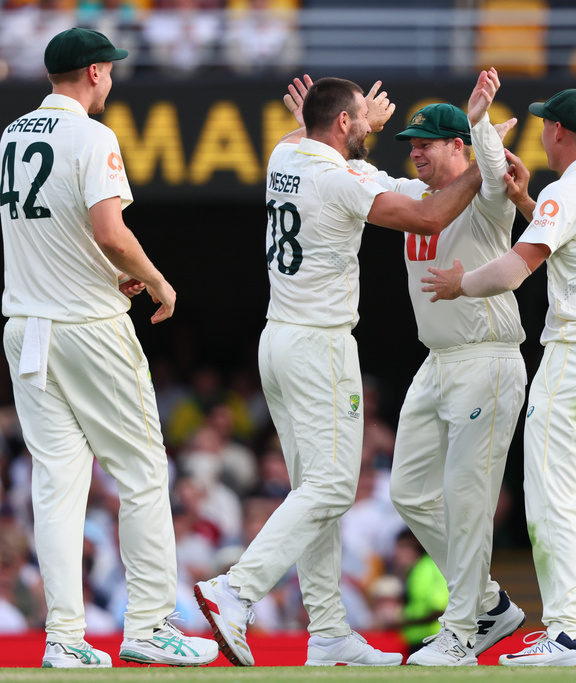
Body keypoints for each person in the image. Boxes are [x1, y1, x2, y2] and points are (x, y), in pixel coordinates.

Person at [193, 75, 483, 667]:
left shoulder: (283, 154)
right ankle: (235, 591)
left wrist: (352, 124)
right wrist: (487, 165)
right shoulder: (339, 177)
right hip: (320, 348)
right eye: (362, 120)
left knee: (313, 493)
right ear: (345, 125)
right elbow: (427, 219)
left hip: (277, 340)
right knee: (331, 487)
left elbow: (309, 135)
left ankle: (326, 632)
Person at [281, 69, 529, 666]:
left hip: (488, 359)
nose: (415, 151)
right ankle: (490, 603)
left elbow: (495, 175)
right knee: (411, 492)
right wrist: (313, 133)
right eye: (411, 144)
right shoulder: (408, 190)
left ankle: (466, 627)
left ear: (457, 149)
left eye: (427, 143)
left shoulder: (488, 198)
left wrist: (479, 123)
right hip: (437, 363)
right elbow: (339, 169)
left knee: (467, 498)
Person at [0, 28, 218, 668]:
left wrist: (96, 265)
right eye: (110, 70)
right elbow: (109, 231)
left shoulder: (11, 135)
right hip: (89, 327)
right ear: (94, 73)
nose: (114, 79)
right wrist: (154, 279)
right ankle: (149, 627)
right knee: (145, 473)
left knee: (57, 487)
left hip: (26, 327)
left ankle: (64, 637)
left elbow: (52, 232)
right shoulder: (94, 136)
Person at [424, 88, 576, 667]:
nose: (543, 131)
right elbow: (574, 248)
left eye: (548, 124)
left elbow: (514, 270)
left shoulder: (568, 189)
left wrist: (460, 284)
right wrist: (526, 202)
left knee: (547, 494)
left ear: (561, 134)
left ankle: (568, 631)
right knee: (562, 482)